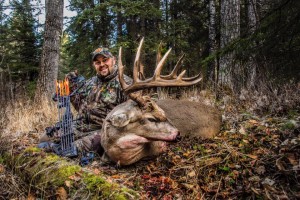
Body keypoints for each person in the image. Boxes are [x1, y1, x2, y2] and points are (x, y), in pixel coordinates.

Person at [38, 47, 132, 157]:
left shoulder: (126, 84)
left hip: (103, 130)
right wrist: (71, 90)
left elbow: (132, 117)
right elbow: (80, 108)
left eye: (105, 60)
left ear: (113, 60)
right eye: (97, 62)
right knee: (44, 139)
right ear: (94, 65)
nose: (102, 64)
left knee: (69, 150)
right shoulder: (90, 82)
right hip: (80, 125)